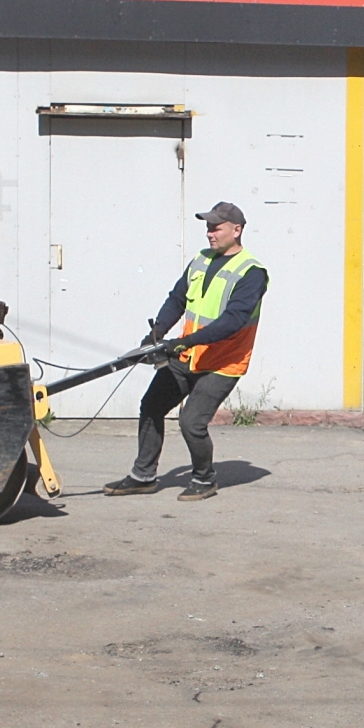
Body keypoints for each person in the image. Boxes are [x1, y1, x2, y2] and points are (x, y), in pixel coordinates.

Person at [103, 201, 268, 502]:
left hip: (222, 362)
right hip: (187, 354)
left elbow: (233, 320)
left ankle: (205, 480)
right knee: (151, 405)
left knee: (191, 422)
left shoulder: (252, 272)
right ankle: (143, 477)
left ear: (237, 230)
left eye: (215, 228)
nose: (209, 234)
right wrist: (158, 332)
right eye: (207, 227)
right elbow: (177, 299)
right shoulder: (201, 260)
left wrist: (184, 343)